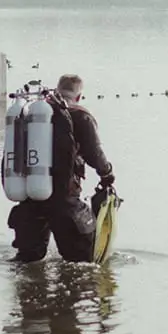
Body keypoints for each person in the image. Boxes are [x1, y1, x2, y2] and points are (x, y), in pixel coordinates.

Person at [8, 73, 115, 263]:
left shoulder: (33, 113)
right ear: (79, 96)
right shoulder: (80, 116)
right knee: (82, 263)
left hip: (29, 199)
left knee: (27, 262)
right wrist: (107, 174)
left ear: (57, 90)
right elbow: (94, 154)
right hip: (64, 201)